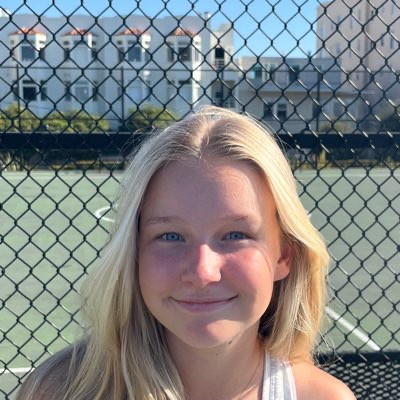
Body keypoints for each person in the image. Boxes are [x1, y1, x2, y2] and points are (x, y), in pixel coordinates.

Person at [16, 106, 355, 400]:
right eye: (171, 236)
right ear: (134, 252)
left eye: (236, 235)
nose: (202, 271)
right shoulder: (60, 390)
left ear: (284, 256)